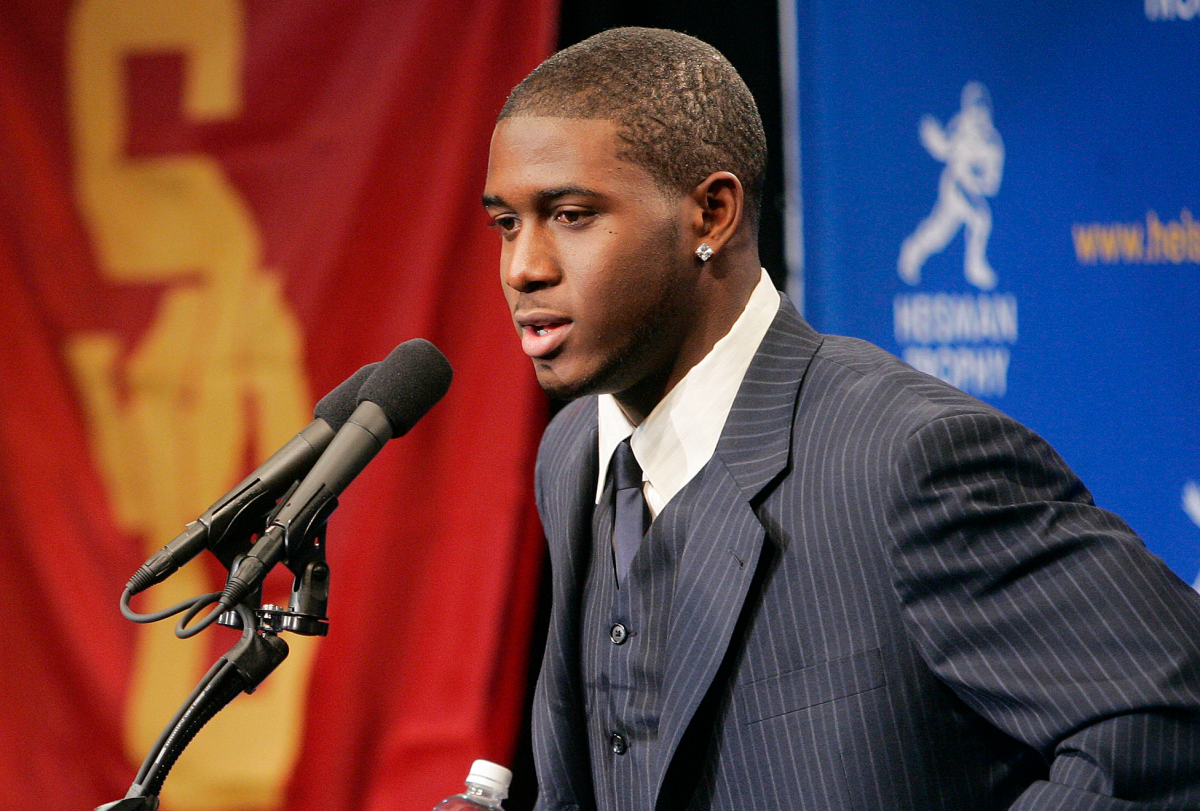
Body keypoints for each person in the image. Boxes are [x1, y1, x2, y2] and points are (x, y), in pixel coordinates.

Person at [482, 27, 1200, 811]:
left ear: (711, 214)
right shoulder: (572, 452)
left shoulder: (905, 458)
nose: (524, 267)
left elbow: (1163, 717)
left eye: (572, 214)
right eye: (507, 224)